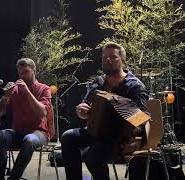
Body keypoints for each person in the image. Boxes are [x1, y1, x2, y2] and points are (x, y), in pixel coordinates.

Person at [61, 42, 150, 180]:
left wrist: (138, 141)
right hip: (95, 131)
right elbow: (85, 108)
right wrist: (81, 111)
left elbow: (143, 118)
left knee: (92, 155)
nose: (108, 60)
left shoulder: (134, 85)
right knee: (68, 137)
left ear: (123, 60)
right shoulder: (98, 82)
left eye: (113, 57)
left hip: (118, 136)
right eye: (104, 57)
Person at [0, 58, 53, 180]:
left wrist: (27, 92)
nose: (22, 75)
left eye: (25, 72)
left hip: (39, 132)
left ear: (34, 71)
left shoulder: (44, 89)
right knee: (1, 135)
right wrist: (5, 97)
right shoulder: (15, 90)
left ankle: (14, 178)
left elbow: (42, 113)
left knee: (29, 140)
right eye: (20, 73)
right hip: (19, 132)